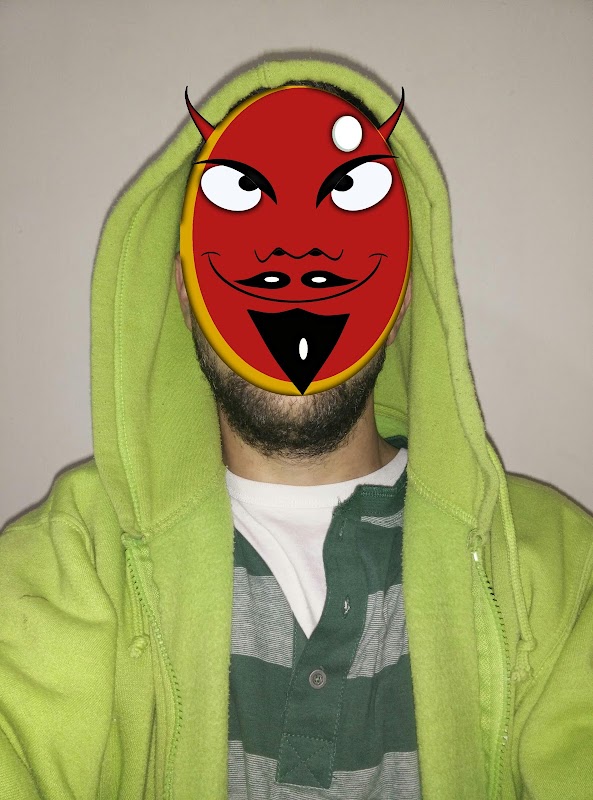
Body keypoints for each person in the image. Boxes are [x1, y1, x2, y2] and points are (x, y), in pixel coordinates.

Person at [0, 59, 591, 800]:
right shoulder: (71, 564)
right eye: (244, 205)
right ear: (184, 291)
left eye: (345, 205)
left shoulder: (555, 573)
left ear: (403, 291)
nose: (294, 256)